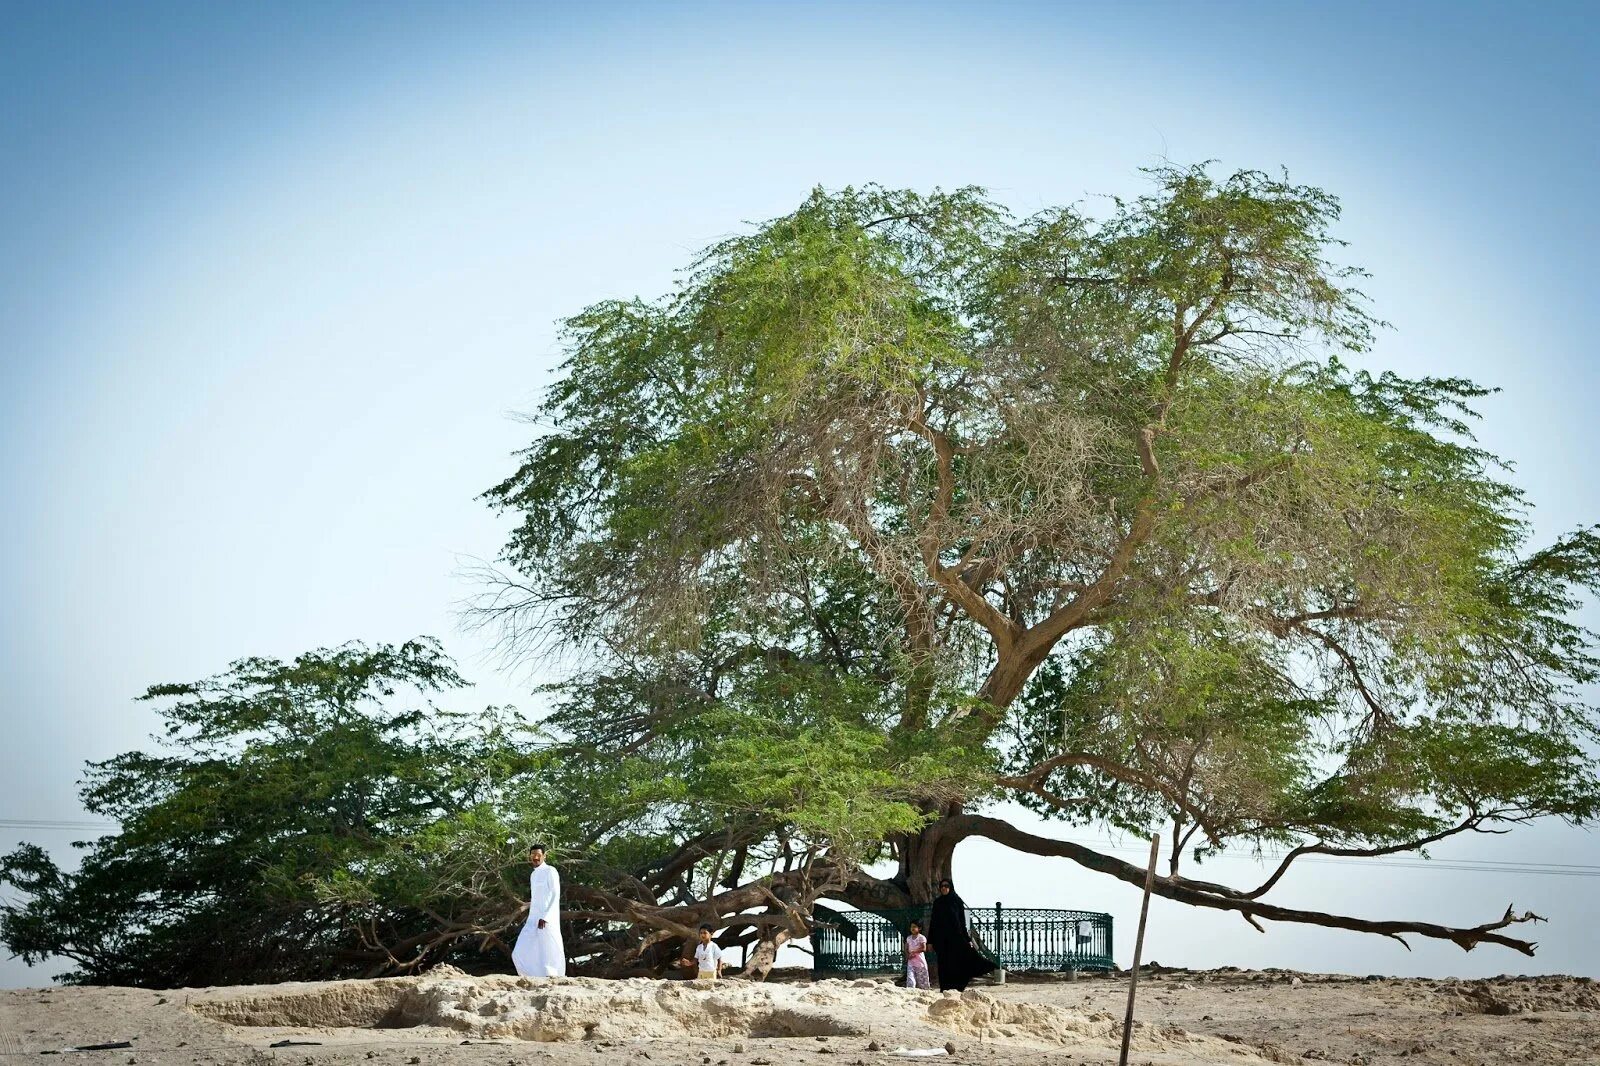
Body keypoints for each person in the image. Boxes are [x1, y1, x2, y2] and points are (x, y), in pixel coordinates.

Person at [925, 878, 995, 992]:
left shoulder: (957, 901)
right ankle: (945, 988)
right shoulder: (938, 903)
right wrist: (930, 941)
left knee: (958, 962)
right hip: (941, 941)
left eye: (946, 886)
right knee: (943, 965)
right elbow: (933, 922)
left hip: (956, 939)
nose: (944, 888)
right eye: (942, 886)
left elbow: (962, 922)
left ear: (950, 887)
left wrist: (967, 939)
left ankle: (958, 987)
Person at [512, 843, 566, 977]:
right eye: (533, 855)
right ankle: (532, 976)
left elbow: (555, 895)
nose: (535, 858)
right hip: (533, 918)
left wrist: (546, 917)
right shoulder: (533, 875)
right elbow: (538, 898)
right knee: (519, 951)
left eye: (538, 855)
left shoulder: (550, 871)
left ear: (544, 856)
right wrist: (526, 905)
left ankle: (553, 977)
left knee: (549, 949)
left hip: (547, 919)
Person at [904, 919, 930, 989]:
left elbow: (924, 948)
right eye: (911, 926)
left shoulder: (921, 938)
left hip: (920, 963)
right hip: (911, 962)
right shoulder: (908, 938)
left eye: (914, 926)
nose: (912, 928)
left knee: (922, 982)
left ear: (919, 928)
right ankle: (910, 991)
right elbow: (906, 948)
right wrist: (907, 956)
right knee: (910, 979)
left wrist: (914, 951)